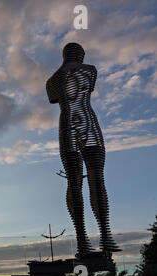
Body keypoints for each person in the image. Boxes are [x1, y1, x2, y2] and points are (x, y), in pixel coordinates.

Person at [46, 43, 120, 254]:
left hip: (67, 126)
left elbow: (54, 99)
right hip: (88, 123)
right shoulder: (90, 71)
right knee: (97, 177)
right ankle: (105, 236)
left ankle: (82, 240)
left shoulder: (52, 80)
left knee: (74, 180)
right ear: (80, 55)